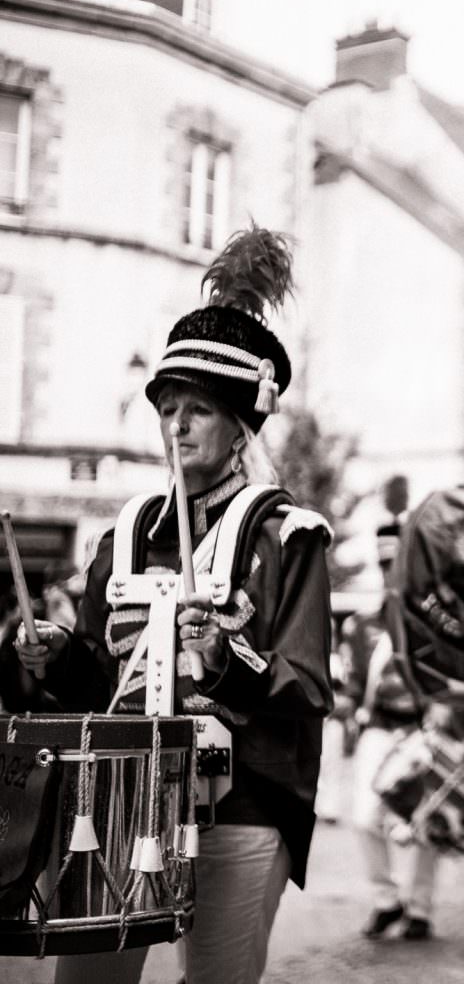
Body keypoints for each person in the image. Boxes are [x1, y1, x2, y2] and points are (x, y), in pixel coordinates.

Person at [14, 226, 334, 984]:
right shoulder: (121, 536)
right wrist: (54, 656)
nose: (176, 425)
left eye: (198, 409)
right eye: (168, 408)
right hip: (118, 798)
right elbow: (98, 682)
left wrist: (227, 659)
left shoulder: (291, 537)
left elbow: (310, 687)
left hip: (243, 804)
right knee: (88, 981)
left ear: (240, 424)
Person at [344, 521, 440, 942]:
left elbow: (448, 684)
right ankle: (387, 899)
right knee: (365, 818)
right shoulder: (363, 626)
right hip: (379, 729)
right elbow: (351, 688)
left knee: (424, 822)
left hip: (422, 731)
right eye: (386, 564)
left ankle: (419, 908)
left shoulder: (436, 625)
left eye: (398, 563)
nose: (391, 572)